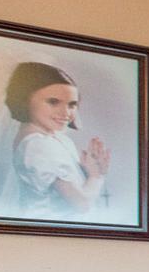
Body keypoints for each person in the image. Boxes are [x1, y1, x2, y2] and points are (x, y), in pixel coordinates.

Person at [6, 62, 109, 218]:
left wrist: (87, 172)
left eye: (72, 104)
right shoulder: (38, 145)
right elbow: (82, 204)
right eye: (53, 102)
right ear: (25, 100)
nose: (66, 113)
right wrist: (96, 176)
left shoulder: (54, 139)